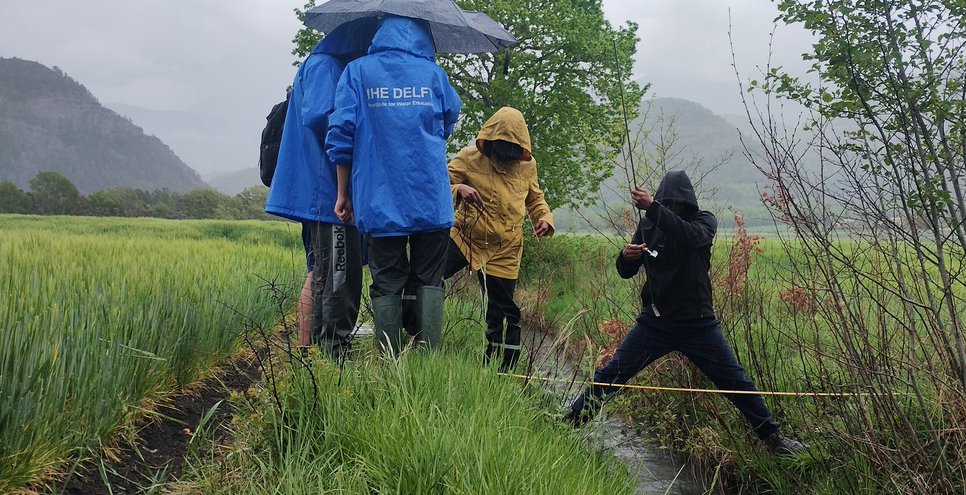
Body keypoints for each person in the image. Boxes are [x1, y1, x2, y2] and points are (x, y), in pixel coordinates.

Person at [566, 170, 807, 455]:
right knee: (611, 374)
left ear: (687, 203)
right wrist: (626, 258)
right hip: (655, 324)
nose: (671, 209)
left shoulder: (703, 221)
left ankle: (774, 439)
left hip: (698, 324)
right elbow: (626, 273)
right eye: (667, 204)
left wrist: (654, 208)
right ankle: (569, 424)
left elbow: (689, 237)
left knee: (736, 382)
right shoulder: (648, 225)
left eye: (676, 204)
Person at [326, 16, 462, 353]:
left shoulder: (357, 72)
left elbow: (341, 136)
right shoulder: (433, 74)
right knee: (429, 278)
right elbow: (449, 118)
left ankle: (390, 361)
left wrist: (344, 194)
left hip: (379, 197)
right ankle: (426, 358)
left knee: (387, 279)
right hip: (430, 195)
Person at [264, 19, 378, 359]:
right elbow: (322, 118)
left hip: (321, 193)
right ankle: (331, 356)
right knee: (339, 277)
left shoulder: (324, 62)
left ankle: (308, 356)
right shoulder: (325, 65)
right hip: (325, 193)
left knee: (322, 271)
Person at [442, 107, 554, 372]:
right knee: (427, 278)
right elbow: (438, 184)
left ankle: (499, 370)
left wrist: (545, 219)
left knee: (502, 312)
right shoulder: (468, 158)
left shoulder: (528, 165)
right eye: (501, 149)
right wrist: (459, 189)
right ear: (490, 142)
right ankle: (417, 342)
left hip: (506, 247)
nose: (505, 156)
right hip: (464, 238)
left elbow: (535, 199)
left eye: (512, 151)